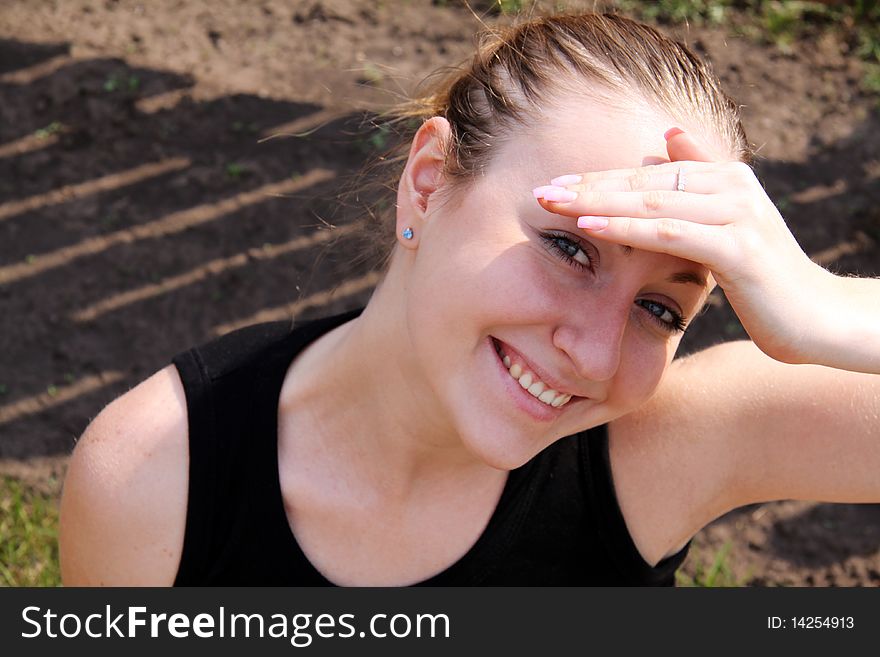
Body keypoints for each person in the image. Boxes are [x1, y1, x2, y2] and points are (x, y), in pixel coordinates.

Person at [59, 12, 879, 586]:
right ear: (425, 185)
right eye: (570, 248)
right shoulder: (157, 481)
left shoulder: (660, 448)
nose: (594, 354)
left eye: (661, 310)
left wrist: (825, 311)